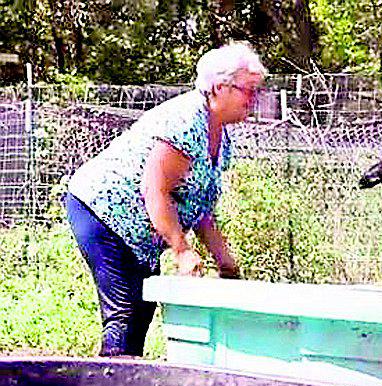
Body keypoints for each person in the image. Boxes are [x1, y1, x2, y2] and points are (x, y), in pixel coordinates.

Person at [65, 43, 266, 357]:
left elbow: (199, 209)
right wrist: (182, 251)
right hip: (102, 212)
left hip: (141, 228)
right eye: (248, 90)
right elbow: (155, 190)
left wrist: (224, 260)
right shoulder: (185, 122)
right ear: (219, 88)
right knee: (125, 310)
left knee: (141, 308)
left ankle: (124, 383)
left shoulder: (220, 136)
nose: (254, 99)